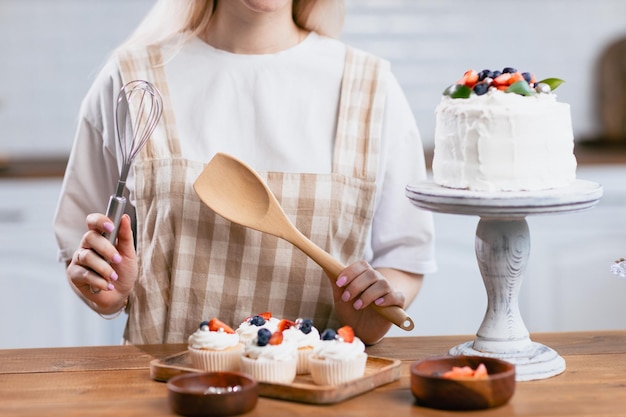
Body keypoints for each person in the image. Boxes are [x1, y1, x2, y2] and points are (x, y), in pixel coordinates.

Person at [53, 0, 436, 346]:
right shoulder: (131, 79)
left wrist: (369, 314)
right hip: (163, 391)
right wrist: (109, 292)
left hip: (319, 392)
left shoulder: (371, 89)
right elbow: (86, 254)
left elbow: (404, 256)